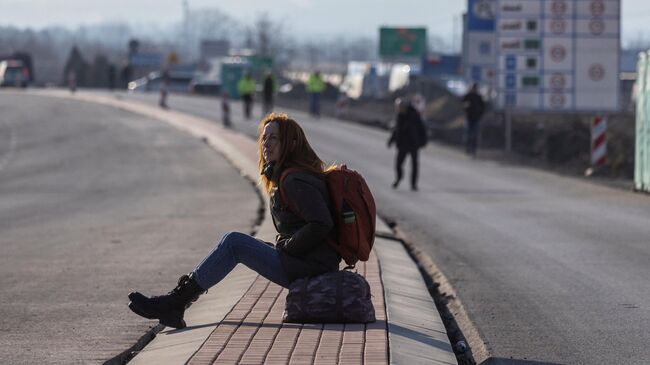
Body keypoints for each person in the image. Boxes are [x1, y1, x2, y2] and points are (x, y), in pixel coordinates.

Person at [127, 113, 342, 329]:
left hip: (311, 268)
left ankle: (176, 302)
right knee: (230, 242)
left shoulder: (294, 180)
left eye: (274, 138)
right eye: (264, 138)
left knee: (234, 243)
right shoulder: (291, 176)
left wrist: (288, 247)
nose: (266, 143)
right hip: (306, 262)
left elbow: (321, 223)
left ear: (290, 143)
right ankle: (177, 302)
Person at [387, 98, 427, 191]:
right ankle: (399, 178)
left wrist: (423, 141)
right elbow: (397, 130)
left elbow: (422, 129)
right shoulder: (400, 115)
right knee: (398, 164)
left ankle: (413, 185)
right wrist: (391, 140)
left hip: (413, 144)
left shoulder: (414, 115)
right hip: (402, 144)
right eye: (397, 107)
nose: (398, 109)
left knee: (414, 165)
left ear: (404, 107)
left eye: (400, 107)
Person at [461, 83, 486, 156]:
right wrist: (466, 108)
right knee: (468, 134)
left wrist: (480, 115)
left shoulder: (478, 97)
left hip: (476, 118)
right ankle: (467, 148)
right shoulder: (467, 96)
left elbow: (483, 107)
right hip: (469, 118)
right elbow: (463, 104)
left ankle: (473, 150)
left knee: (475, 135)